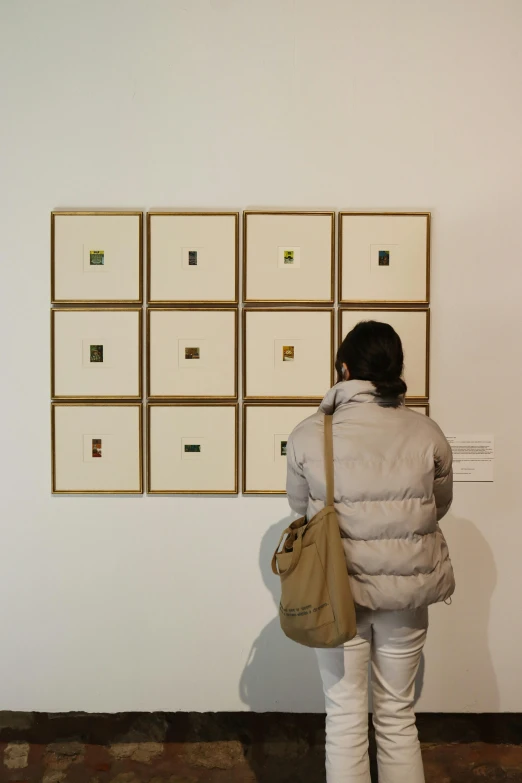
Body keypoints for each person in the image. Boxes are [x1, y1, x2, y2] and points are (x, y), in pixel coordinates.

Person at [285, 320, 455, 783]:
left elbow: (301, 508)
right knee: (398, 716)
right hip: (407, 594)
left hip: (338, 594)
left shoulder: (308, 435)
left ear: (344, 369)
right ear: (396, 369)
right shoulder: (427, 433)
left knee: (343, 716)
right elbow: (438, 506)